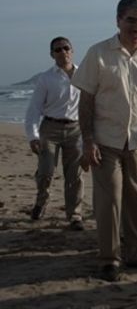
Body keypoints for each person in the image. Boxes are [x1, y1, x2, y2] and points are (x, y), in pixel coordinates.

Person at [72, 0, 137, 282]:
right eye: (131, 20)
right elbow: (86, 100)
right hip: (106, 141)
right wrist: (88, 140)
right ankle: (109, 259)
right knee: (109, 202)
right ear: (118, 20)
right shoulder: (99, 53)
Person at [24, 36, 84, 230]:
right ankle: (41, 201)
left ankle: (74, 215)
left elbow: (93, 105)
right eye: (58, 50)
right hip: (50, 128)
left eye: (66, 48)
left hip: (76, 129)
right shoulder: (46, 78)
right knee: (46, 171)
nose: (63, 52)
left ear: (72, 51)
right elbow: (34, 110)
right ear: (52, 54)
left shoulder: (84, 75)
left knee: (74, 174)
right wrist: (33, 136)